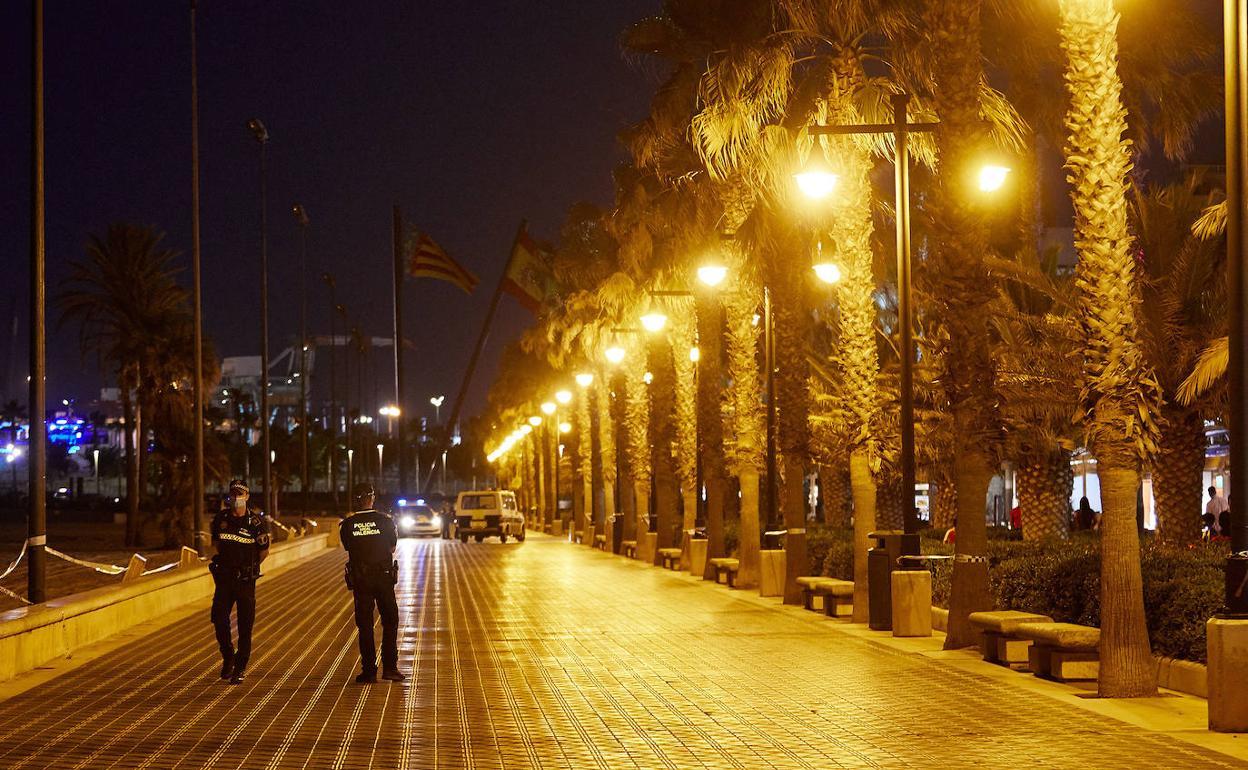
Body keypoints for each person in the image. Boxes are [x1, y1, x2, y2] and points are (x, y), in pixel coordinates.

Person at [340, 483, 404, 684]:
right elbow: (392, 547)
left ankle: (368, 671)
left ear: (355, 500)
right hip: (383, 578)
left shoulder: (348, 525)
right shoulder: (386, 522)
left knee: (365, 625)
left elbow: (348, 547)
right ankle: (390, 668)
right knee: (390, 621)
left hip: (361, 580)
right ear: (372, 498)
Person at [210, 479, 270, 685]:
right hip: (224, 579)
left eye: (240, 494)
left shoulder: (255, 523)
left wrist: (247, 568)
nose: (237, 498)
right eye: (234, 494)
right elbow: (217, 544)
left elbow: (264, 551)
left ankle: (240, 667)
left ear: (247, 496)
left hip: (245, 581)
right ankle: (228, 656)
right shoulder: (221, 519)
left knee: (245, 626)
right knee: (219, 620)